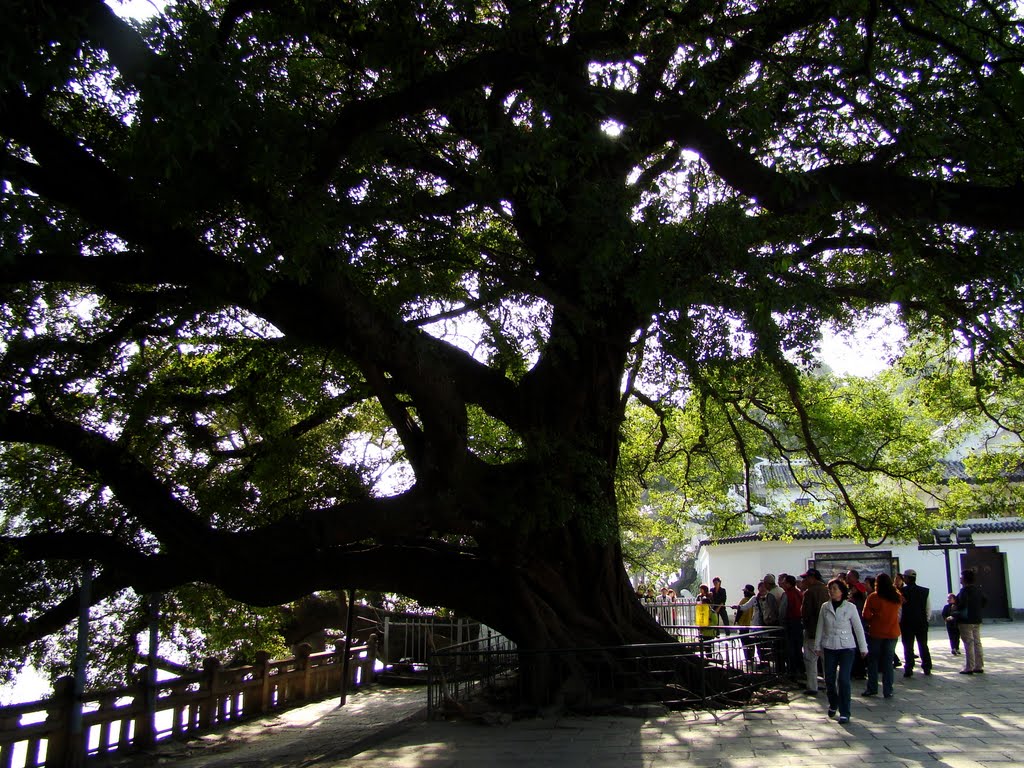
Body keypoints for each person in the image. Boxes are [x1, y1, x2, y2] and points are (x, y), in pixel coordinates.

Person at [814, 578, 868, 724]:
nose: (832, 592)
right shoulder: (825, 607)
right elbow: (820, 627)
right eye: (830, 589)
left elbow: (858, 628)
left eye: (835, 589)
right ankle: (833, 703)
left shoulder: (850, 607)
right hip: (829, 646)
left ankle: (845, 711)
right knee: (829, 679)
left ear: (842, 591)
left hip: (846, 647)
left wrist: (863, 648)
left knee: (844, 679)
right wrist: (817, 646)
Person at [862, 572, 903, 698]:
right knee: (888, 662)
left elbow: (866, 615)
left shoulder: (873, 597)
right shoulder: (896, 596)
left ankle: (872, 687)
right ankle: (888, 689)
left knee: (873, 661)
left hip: (876, 632)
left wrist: (874, 617)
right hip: (892, 632)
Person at [800, 568, 829, 696]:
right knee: (827, 659)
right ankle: (830, 684)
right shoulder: (827, 589)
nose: (804, 581)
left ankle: (812, 686)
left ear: (812, 578)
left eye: (806, 578)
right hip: (827, 630)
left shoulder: (809, 592)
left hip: (813, 630)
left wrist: (806, 626)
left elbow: (805, 613)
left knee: (810, 659)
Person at [899, 568, 932, 677]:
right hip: (921, 622)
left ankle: (909, 667)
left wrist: (899, 621)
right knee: (923, 644)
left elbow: (900, 610)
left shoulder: (901, 591)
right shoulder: (924, 591)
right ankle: (927, 666)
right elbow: (928, 609)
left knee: (908, 646)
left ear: (907, 578)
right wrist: (925, 620)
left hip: (907, 622)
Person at [955, 569, 988, 674]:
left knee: (969, 643)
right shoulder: (978, 589)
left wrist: (955, 607)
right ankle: (979, 665)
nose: (960, 578)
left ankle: (969, 667)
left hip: (966, 620)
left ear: (965, 579)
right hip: (976, 618)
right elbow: (984, 601)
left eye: (961, 576)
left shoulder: (964, 591)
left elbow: (961, 604)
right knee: (977, 642)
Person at [779, 574, 804, 684]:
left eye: (784, 582)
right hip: (799, 623)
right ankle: (800, 670)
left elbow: (782, 611)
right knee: (798, 648)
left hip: (790, 622)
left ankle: (792, 671)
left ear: (789, 584)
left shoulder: (787, 595)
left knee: (791, 649)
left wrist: (781, 623)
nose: (782, 584)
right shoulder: (799, 593)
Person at [846, 569, 868, 679]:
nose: (847, 578)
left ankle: (859, 670)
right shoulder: (851, 588)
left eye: (849, 576)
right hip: (853, 620)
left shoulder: (859, 587)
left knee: (857, 645)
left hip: (858, 620)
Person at [734, 584, 758, 668]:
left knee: (745, 644)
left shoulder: (745, 600)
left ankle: (748, 659)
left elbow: (739, 612)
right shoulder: (755, 599)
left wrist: (736, 621)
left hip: (744, 626)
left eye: (745, 591)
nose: (744, 593)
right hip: (752, 626)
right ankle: (751, 658)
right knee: (752, 644)